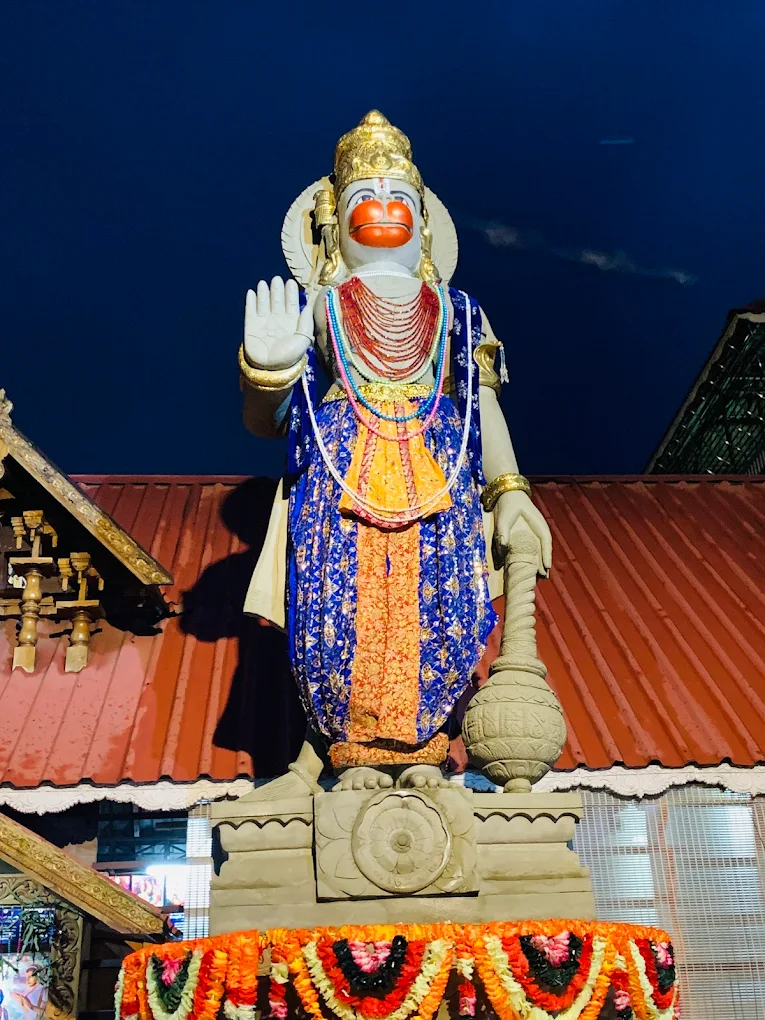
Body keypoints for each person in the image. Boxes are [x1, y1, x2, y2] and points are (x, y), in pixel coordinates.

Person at [240, 112, 552, 793]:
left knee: (442, 603)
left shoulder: (459, 312)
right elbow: (271, 423)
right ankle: (345, 749)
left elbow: (482, 404)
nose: (382, 209)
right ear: (332, 226)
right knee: (336, 604)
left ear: (425, 222)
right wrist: (268, 374)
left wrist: (510, 491)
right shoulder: (320, 307)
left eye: (398, 198)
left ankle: (425, 750)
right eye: (364, 198)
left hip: (439, 470)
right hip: (340, 470)